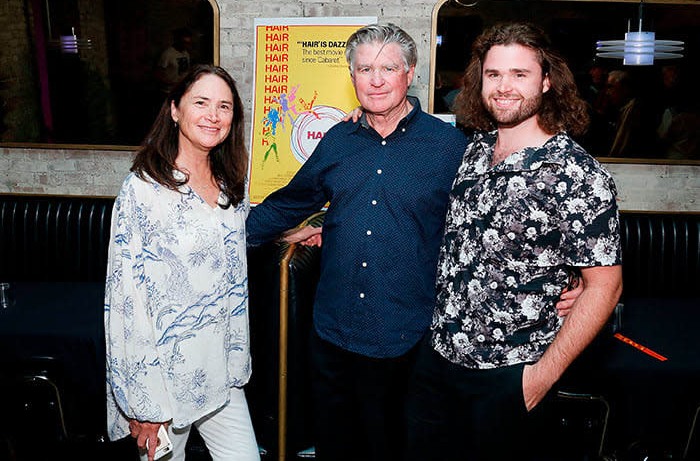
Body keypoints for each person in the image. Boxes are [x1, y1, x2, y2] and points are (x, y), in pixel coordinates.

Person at [246, 23, 579, 461]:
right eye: (365, 69)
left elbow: (501, 221)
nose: (377, 79)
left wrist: (569, 278)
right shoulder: (337, 140)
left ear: (410, 73)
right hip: (332, 335)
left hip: (410, 342)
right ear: (352, 77)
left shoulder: (452, 147)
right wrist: (220, 237)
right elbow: (290, 203)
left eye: (388, 67)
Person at [404, 23, 623, 460]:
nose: (504, 87)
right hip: (437, 363)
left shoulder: (577, 175)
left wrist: (540, 378)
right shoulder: (473, 151)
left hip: (510, 377)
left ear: (546, 81)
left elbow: (606, 286)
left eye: (519, 75)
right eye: (493, 74)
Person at [105, 64, 259, 461]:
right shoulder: (144, 190)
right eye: (201, 103)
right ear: (175, 110)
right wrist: (143, 404)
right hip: (164, 381)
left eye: (224, 106)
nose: (213, 115)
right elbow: (126, 301)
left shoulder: (231, 183)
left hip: (221, 371)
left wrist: (295, 231)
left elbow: (231, 241)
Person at [156, 28, 193, 96]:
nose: (186, 45)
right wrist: (171, 83)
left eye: (188, 43)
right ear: (178, 41)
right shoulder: (168, 53)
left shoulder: (186, 53)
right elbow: (159, 73)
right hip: (168, 91)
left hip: (181, 90)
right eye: (184, 42)